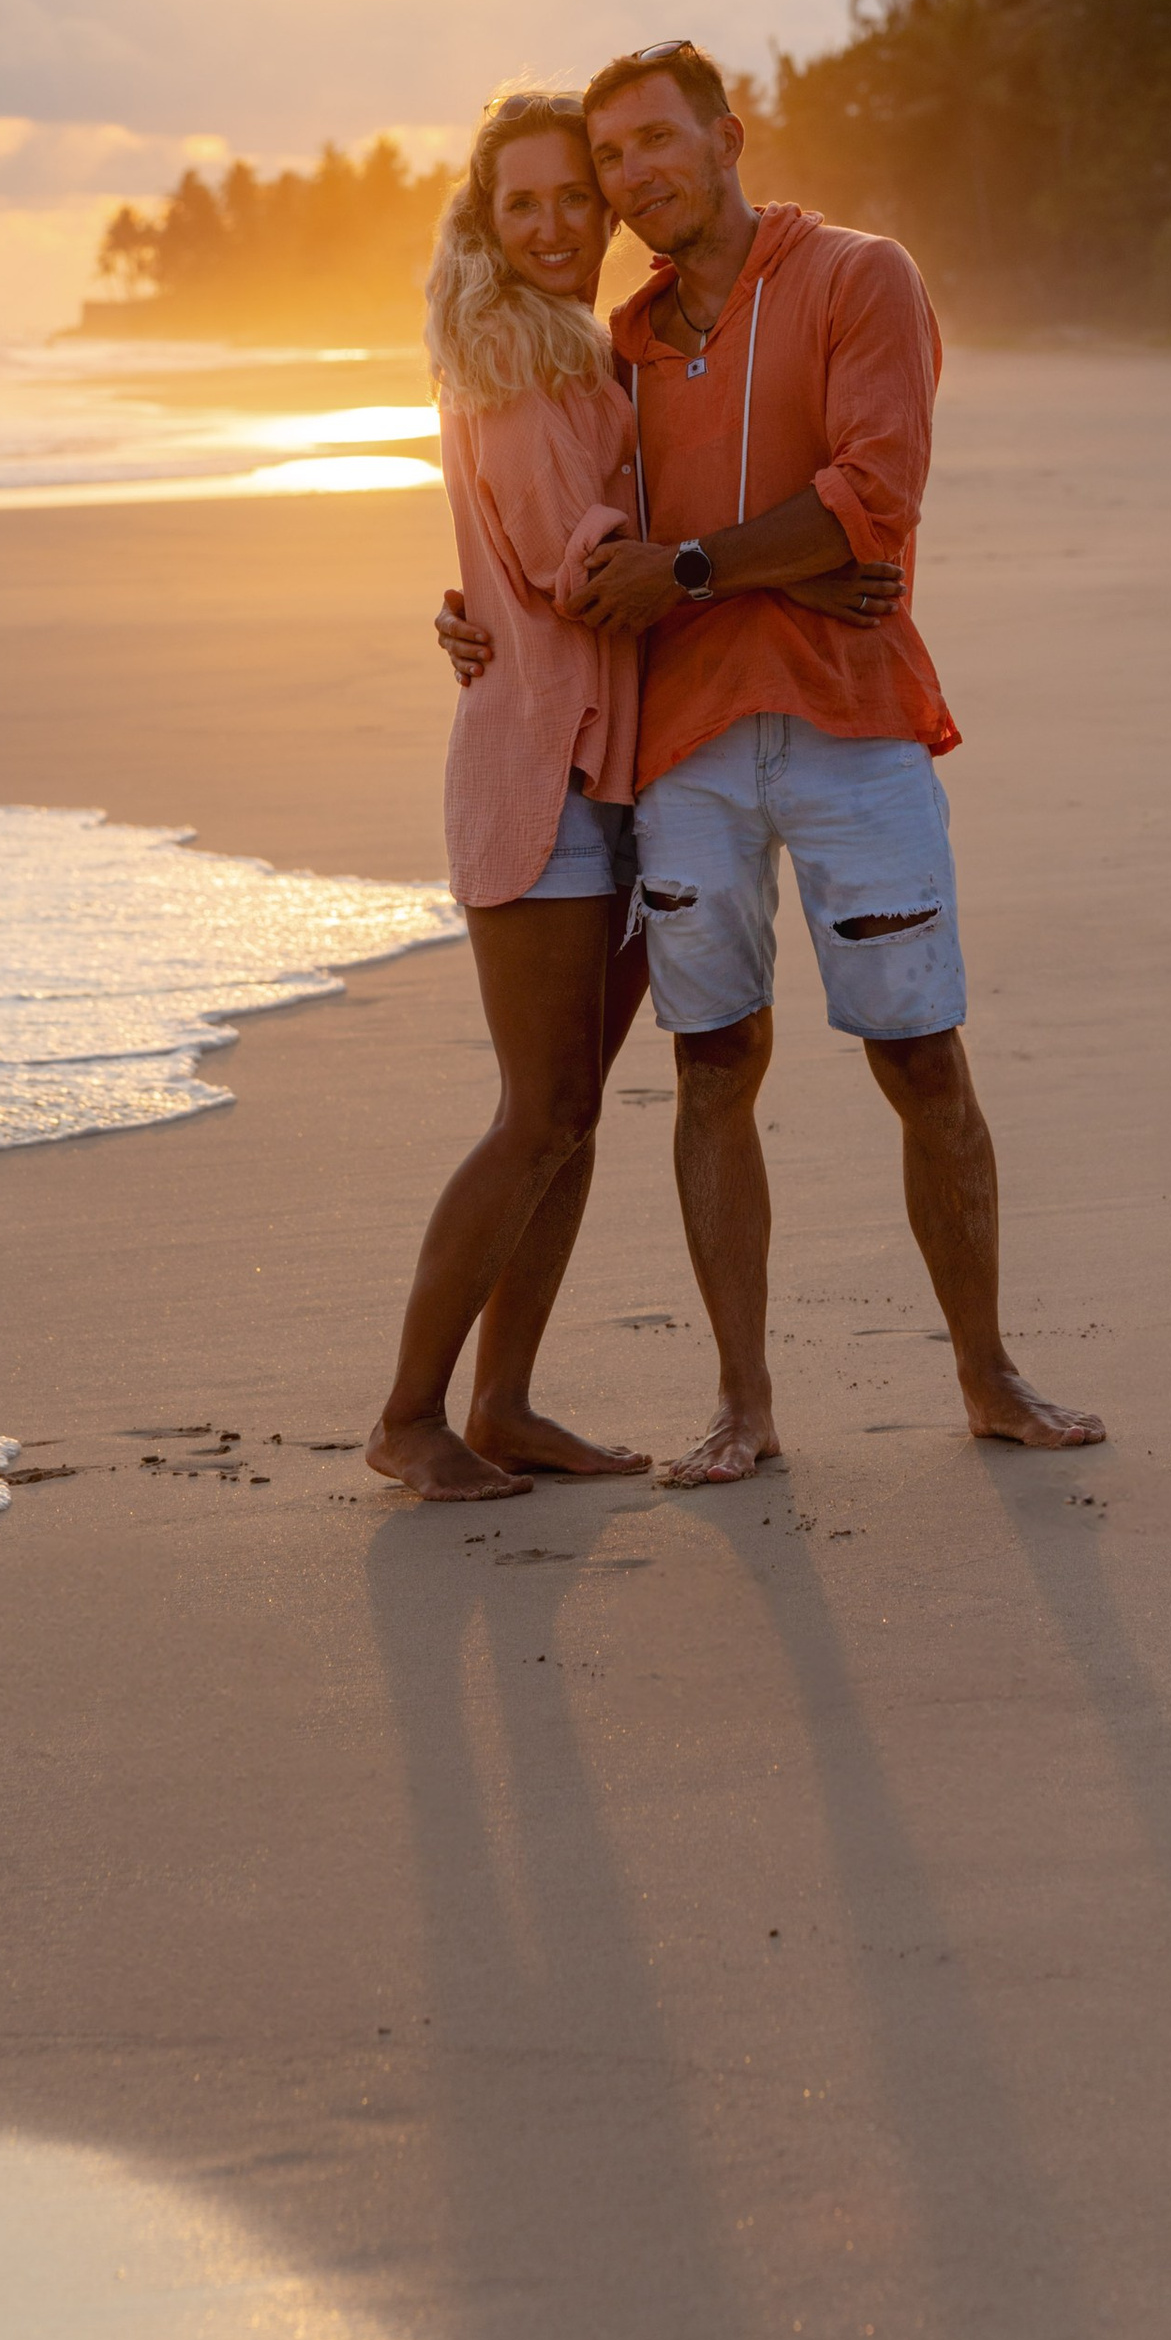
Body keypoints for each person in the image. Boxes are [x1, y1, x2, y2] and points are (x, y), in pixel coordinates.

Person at [439, 40, 1103, 1486]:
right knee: (715, 1062)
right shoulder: (620, 342)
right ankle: (743, 1406)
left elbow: (874, 494)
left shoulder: (861, 277)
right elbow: (561, 521)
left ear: (727, 137)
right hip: (682, 750)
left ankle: (989, 1375)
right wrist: (475, 609)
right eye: (612, 158)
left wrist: (696, 570)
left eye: (656, 142)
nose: (635, 175)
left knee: (919, 1053)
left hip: (855, 726)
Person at [365, 89, 662, 1501]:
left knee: (571, 1113)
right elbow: (581, 566)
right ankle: (411, 1415)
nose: (552, 226)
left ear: (606, 211)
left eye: (572, 199)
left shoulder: (580, 356)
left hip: (605, 764)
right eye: (521, 203)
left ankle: (506, 1403)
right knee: (537, 1112)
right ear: (486, 223)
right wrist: (772, 552)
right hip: (539, 774)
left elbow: (524, 565)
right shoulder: (520, 366)